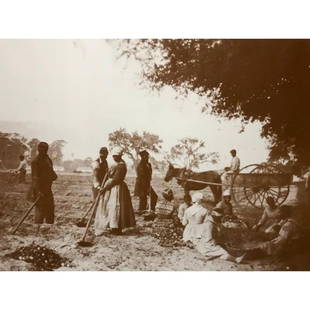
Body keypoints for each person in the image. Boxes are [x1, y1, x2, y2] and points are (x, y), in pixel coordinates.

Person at [182, 192, 243, 262]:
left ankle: (227, 255)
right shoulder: (204, 211)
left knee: (208, 245)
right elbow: (209, 223)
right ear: (201, 201)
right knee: (213, 246)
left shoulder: (187, 210)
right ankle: (233, 258)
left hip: (187, 233)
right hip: (199, 232)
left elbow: (184, 223)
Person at [94, 147, 136, 236]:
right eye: (113, 156)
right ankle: (113, 227)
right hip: (112, 187)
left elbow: (116, 180)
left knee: (116, 207)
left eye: (116, 156)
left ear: (120, 156)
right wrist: (108, 173)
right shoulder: (116, 164)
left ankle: (117, 228)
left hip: (117, 188)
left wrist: (105, 188)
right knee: (110, 207)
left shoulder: (121, 165)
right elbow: (111, 175)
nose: (114, 157)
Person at [30, 142, 57, 234]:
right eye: (41, 149)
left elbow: (51, 172)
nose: (43, 151)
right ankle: (37, 231)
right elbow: (34, 178)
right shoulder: (35, 161)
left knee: (50, 208)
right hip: (39, 189)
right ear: (38, 149)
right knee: (40, 209)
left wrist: (53, 175)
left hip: (48, 188)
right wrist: (38, 191)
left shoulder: (48, 159)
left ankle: (48, 229)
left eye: (45, 149)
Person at [134, 150, 158, 214]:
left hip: (147, 184)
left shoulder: (148, 164)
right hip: (141, 184)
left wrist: (148, 183)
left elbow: (149, 174)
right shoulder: (140, 166)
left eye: (148, 156)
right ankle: (141, 211)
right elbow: (142, 177)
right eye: (146, 156)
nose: (148, 157)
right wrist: (147, 187)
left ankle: (151, 210)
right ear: (143, 157)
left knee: (154, 196)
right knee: (143, 198)